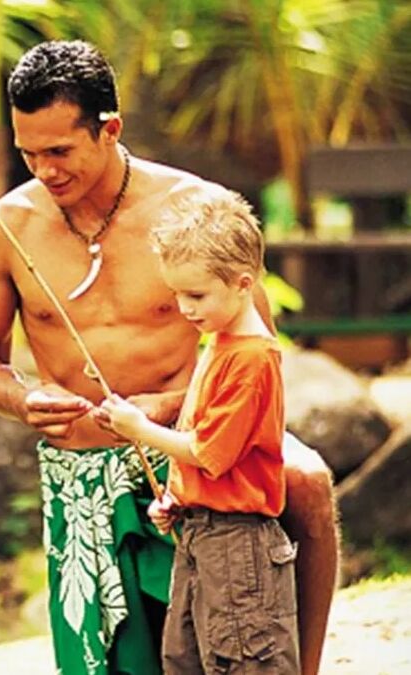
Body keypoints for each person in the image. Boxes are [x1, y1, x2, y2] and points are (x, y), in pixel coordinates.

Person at [0, 40, 336, 674]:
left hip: (194, 438)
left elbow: (255, 348)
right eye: (29, 154)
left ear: (109, 129)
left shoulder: (194, 210)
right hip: (82, 459)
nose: (44, 171)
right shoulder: (3, 228)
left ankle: (303, 665)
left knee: (306, 480)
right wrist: (24, 399)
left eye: (59, 152)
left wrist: (167, 408)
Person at [101, 192, 299, 673]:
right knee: (186, 658)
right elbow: (201, 441)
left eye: (196, 295)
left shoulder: (251, 359)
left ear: (242, 284)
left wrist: (140, 429)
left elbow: (210, 453)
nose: (184, 308)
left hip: (238, 547)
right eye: (176, 294)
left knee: (241, 659)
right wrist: (180, 495)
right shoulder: (220, 342)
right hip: (200, 536)